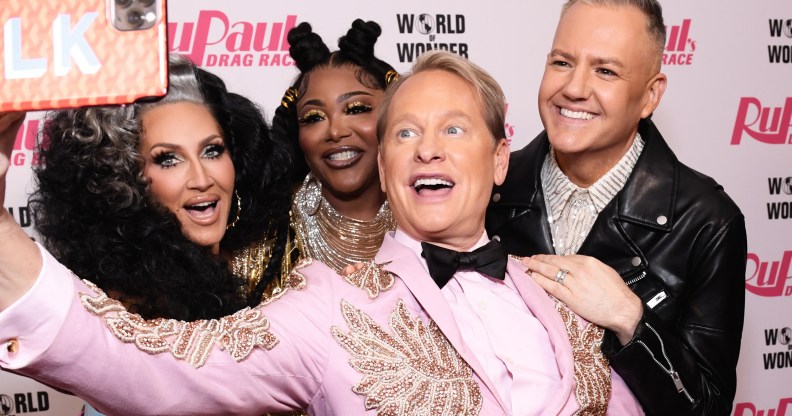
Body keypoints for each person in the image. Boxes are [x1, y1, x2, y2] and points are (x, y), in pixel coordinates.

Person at [0, 51, 644, 415]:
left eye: (453, 129)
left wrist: (630, 321)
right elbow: (147, 367)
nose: (428, 151)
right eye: (405, 134)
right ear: (385, 171)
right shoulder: (326, 306)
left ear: (500, 158)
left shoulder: (566, 294)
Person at [485, 1, 747, 415]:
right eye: (562, 62)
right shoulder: (489, 188)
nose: (574, 88)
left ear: (650, 95)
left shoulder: (706, 221)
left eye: (605, 71)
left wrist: (630, 318)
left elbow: (709, 406)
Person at [26, 55, 295, 319]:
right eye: (168, 159)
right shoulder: (125, 309)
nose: (201, 179)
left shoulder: (281, 259)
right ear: (123, 180)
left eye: (212, 151)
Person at [270, 19, 397, 274]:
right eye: (314, 118)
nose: (336, 131)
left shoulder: (434, 214)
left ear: (397, 116)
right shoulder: (269, 234)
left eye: (357, 109)